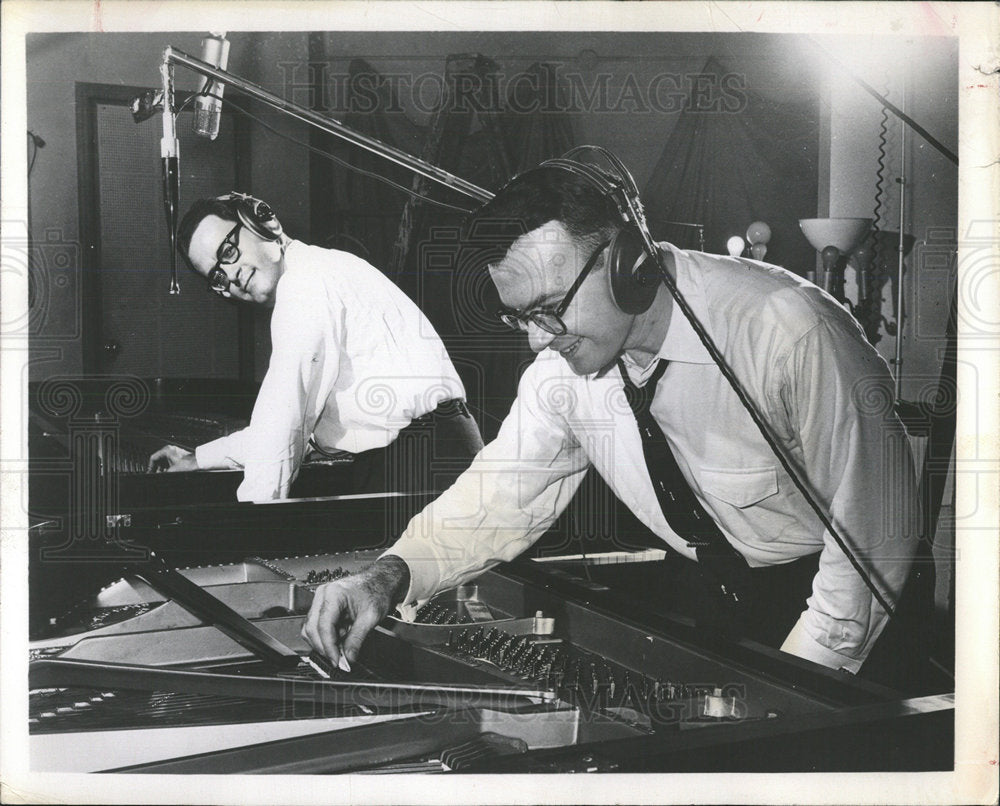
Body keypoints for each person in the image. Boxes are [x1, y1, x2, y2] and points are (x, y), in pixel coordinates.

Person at [302, 162, 921, 680]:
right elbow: (499, 498)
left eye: (547, 310)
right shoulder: (563, 372)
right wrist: (386, 578)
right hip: (720, 595)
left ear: (628, 263)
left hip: (852, 609)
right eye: (521, 318)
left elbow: (876, 538)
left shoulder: (789, 332)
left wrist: (794, 700)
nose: (538, 342)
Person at [149, 193, 483, 501]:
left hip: (421, 466)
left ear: (265, 222)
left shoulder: (303, 286)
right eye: (217, 276)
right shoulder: (319, 268)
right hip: (435, 453)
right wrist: (198, 458)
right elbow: (286, 428)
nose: (231, 275)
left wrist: (250, 527)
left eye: (228, 252)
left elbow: (283, 424)